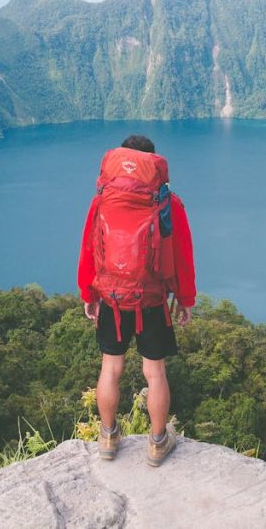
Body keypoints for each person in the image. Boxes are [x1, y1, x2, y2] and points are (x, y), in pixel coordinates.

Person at [77, 134, 196, 466]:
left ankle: (107, 437)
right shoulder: (168, 203)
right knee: (154, 373)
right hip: (152, 300)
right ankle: (158, 443)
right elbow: (183, 256)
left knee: (110, 369)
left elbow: (88, 248)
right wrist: (186, 299)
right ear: (153, 164)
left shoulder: (102, 199)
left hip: (112, 298)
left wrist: (89, 293)